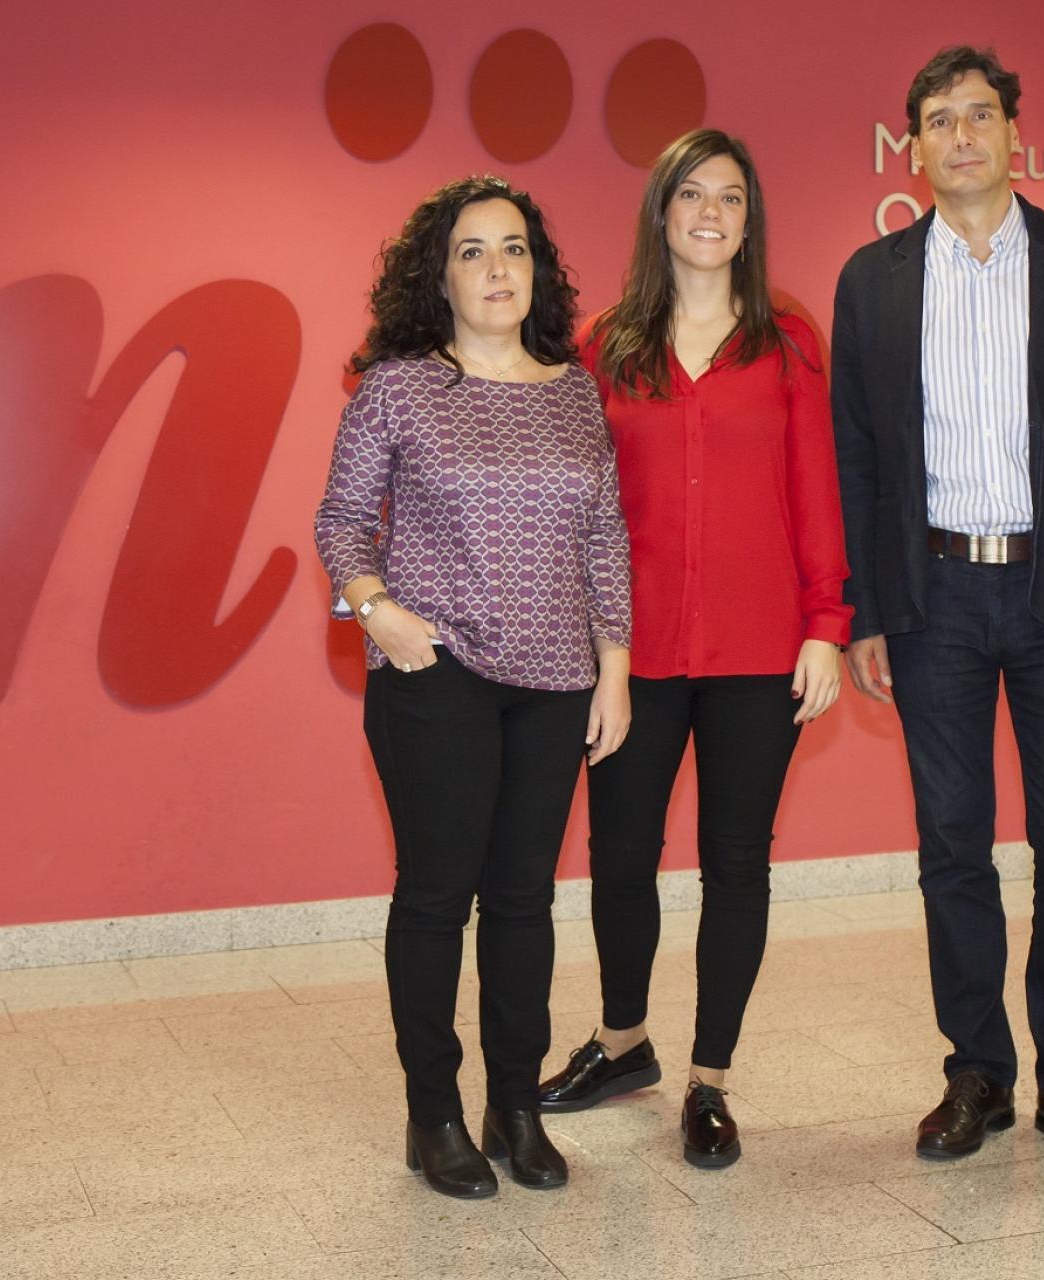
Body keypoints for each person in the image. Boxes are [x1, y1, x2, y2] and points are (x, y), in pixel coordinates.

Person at [831, 47, 1044, 1168]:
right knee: (951, 846)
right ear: (912, 147)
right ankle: (977, 1070)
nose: (959, 136)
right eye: (936, 121)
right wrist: (865, 606)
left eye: (978, 116)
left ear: (1014, 132)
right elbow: (856, 456)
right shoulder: (869, 279)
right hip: (932, 597)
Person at [536, 129, 851, 1169]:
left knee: (736, 863)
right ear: (660, 212)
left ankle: (709, 1079)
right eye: (690, 193)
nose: (710, 211)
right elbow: (579, 503)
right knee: (619, 856)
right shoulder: (605, 344)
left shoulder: (791, 342)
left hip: (761, 651)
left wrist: (825, 625)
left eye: (730, 196)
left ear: (748, 220)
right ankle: (622, 1039)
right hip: (631, 651)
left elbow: (817, 491)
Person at [314, 175, 631, 1199]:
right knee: (437, 897)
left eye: (513, 249)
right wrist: (378, 611)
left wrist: (614, 664)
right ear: (438, 276)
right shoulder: (400, 387)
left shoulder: (575, 388)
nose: (497, 269)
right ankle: (434, 1112)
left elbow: (604, 538)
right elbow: (340, 522)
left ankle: (515, 1105)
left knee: (526, 902)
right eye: (472, 251)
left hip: (553, 680)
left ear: (536, 271)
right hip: (435, 675)